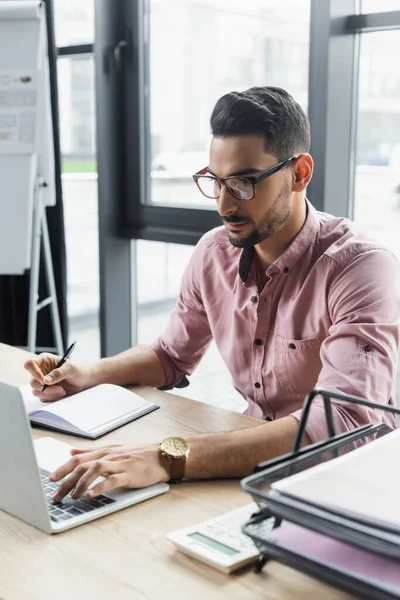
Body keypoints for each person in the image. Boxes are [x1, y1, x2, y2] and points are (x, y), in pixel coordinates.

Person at [25, 86, 400, 503]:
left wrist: (168, 457)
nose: (223, 204)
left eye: (242, 182)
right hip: (250, 468)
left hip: (347, 484)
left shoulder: (360, 267)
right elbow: (170, 355)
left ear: (300, 173)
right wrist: (90, 374)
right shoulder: (214, 252)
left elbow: (343, 422)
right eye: (215, 181)